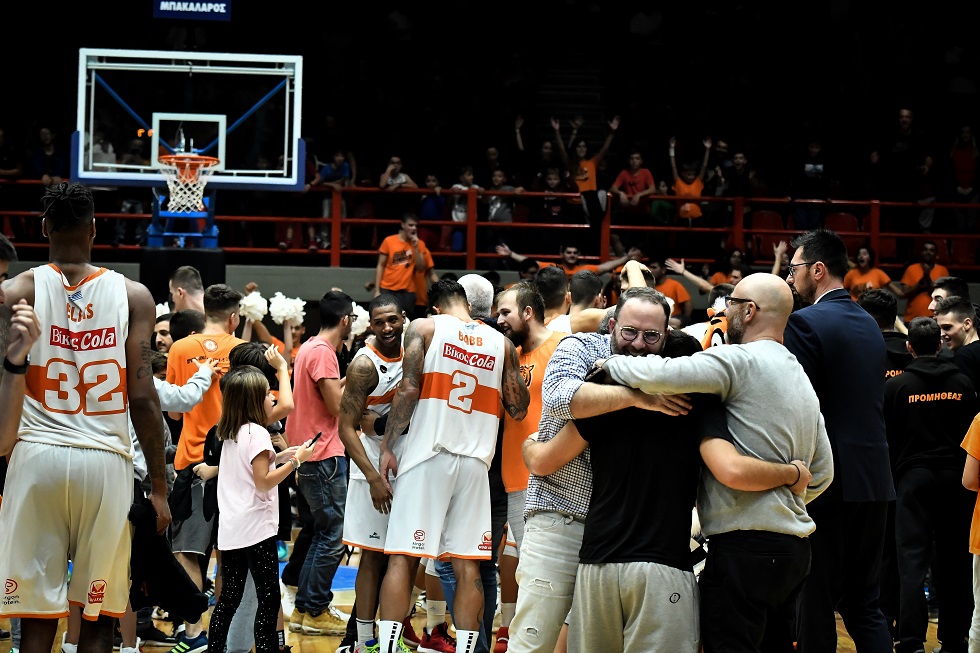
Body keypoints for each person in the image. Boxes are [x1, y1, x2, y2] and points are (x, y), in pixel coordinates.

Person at [598, 273, 835, 652]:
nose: (726, 314)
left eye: (733, 306)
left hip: (744, 549)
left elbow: (661, 374)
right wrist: (785, 493)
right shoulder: (800, 377)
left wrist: (607, 365)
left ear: (750, 311)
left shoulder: (737, 360)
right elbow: (822, 472)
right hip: (795, 552)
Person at [0, 182, 171, 653]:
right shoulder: (134, 296)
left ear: (43, 229)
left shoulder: (19, 289)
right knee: (98, 617)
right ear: (95, 228)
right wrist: (158, 487)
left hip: (37, 457)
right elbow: (144, 399)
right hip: (105, 463)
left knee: (36, 617)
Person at [374, 279, 530, 653]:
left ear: (437, 308)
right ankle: (467, 648)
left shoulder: (426, 328)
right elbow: (518, 406)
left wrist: (387, 446)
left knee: (403, 558)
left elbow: (409, 390)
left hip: (429, 454)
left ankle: (388, 648)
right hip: (475, 464)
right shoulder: (502, 344)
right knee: (469, 565)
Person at [782, 228, 895, 653]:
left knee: (816, 601)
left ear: (817, 269)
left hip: (829, 481)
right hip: (875, 479)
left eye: (794, 270)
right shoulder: (868, 321)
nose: (790, 280)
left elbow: (800, 408)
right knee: (865, 605)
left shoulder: (805, 322)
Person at [883, 317, 978, 653]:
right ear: (939, 344)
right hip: (955, 481)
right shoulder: (963, 383)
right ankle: (954, 640)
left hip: (912, 481)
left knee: (911, 562)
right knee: (954, 563)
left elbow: (889, 440)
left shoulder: (897, 386)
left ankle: (910, 642)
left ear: (910, 347)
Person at [206, 367, 315, 653]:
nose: (273, 398)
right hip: (256, 529)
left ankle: (215, 649)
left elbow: (249, 470)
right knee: (268, 600)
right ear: (255, 400)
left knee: (229, 597)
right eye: (268, 393)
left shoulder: (232, 431)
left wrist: (280, 456)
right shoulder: (258, 433)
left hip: (232, 529)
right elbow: (263, 482)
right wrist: (296, 462)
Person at [166, 283, 246, 653]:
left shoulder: (180, 348)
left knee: (187, 553)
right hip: (234, 465)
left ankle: (194, 633)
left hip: (192, 463)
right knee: (230, 554)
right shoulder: (245, 350)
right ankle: (226, 635)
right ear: (233, 317)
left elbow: (173, 411)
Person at [335, 293, 415, 652]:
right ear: (370, 324)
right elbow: (346, 427)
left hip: (411, 462)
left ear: (404, 318)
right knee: (371, 553)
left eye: (392, 320)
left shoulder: (417, 351)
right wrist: (371, 478)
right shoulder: (364, 365)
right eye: (379, 322)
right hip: (372, 468)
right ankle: (365, 639)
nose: (386, 328)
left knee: (405, 553)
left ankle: (395, 633)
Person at [286, 290, 357, 636]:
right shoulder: (324, 353)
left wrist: (349, 381)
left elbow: (323, 396)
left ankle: (306, 608)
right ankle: (314, 609)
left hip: (308, 451)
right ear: (346, 320)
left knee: (321, 533)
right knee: (334, 534)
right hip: (323, 453)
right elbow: (335, 407)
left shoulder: (309, 349)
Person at [374, 213, 440, 317]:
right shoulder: (389, 241)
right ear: (402, 225)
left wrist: (416, 247)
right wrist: (377, 290)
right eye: (410, 225)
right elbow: (380, 265)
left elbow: (420, 268)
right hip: (388, 288)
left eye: (416, 226)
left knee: (406, 321)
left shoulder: (420, 244)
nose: (414, 228)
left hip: (407, 291)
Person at [894, 240, 950, 324]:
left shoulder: (942, 270)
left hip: (934, 318)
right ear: (921, 252)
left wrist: (927, 277)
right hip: (912, 318)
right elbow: (904, 293)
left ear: (936, 253)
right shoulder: (911, 269)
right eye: (925, 249)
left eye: (931, 250)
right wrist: (919, 285)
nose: (928, 252)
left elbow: (943, 296)